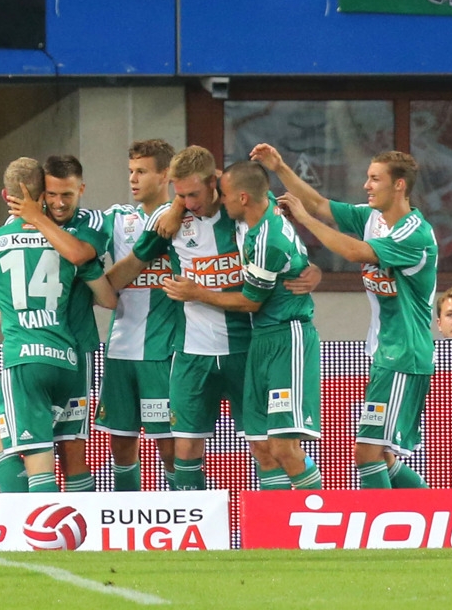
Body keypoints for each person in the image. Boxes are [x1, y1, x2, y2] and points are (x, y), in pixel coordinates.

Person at [108, 145, 322, 491]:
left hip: (246, 348)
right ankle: (192, 535)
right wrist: (93, 291)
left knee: (266, 448)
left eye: (194, 193)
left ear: (215, 182)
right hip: (192, 350)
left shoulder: (241, 214)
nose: (189, 202)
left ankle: (283, 532)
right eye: (181, 195)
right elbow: (134, 263)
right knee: (186, 447)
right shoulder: (168, 219)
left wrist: (316, 272)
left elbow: (290, 259)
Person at [251, 143, 437, 489]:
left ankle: (378, 535)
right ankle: (433, 517)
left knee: (367, 452)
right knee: (381, 455)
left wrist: (303, 221)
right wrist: (279, 167)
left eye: (374, 179)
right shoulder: (373, 219)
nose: (366, 185)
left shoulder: (415, 233)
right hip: (386, 352)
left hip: (405, 354)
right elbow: (320, 205)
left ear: (399, 185)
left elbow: (355, 251)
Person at [164, 160, 322, 489]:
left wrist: (196, 292)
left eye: (225, 195)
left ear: (243, 198)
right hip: (261, 340)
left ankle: (322, 525)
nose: (221, 200)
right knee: (264, 448)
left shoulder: (268, 239)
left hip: (286, 337)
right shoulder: (250, 224)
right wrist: (177, 205)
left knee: (283, 446)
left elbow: (251, 301)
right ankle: (276, 537)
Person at [0, 157, 117, 493]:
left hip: (42, 354)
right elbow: (108, 297)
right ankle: (71, 534)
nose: (60, 202)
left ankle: (40, 535)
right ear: (41, 195)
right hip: (68, 353)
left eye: (67, 194)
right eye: (52, 195)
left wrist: (1, 308)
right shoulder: (62, 238)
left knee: (54, 454)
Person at [92, 140, 178, 490]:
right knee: (121, 443)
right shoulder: (116, 219)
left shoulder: (187, 219)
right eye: (130, 171)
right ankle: (128, 525)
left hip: (164, 349)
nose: (133, 179)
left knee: (170, 444)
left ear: (165, 174)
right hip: (119, 350)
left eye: (142, 171)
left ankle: (185, 514)